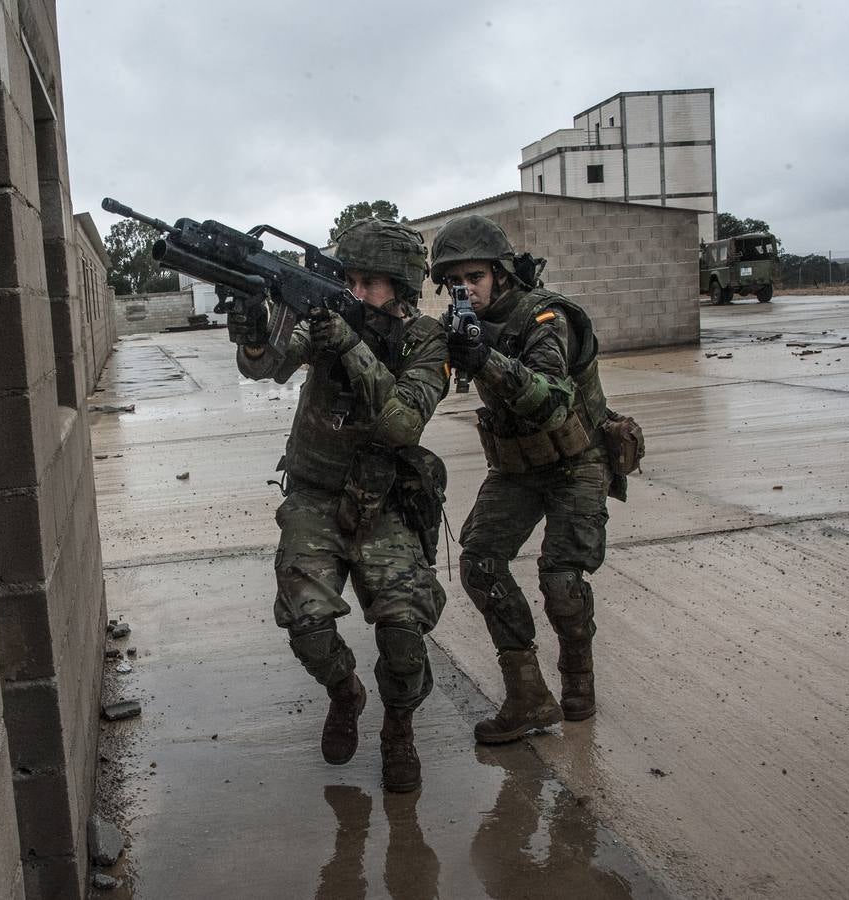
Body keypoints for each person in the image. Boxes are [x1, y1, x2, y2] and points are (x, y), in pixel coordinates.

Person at [227, 218, 449, 792]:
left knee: (403, 635)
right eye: (348, 279)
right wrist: (255, 333)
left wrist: (352, 347)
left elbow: (402, 423)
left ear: (399, 287)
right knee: (308, 625)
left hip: (388, 502)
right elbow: (267, 366)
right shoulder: (327, 325)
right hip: (315, 494)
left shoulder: (425, 340)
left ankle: (399, 723)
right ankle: (344, 692)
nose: (355, 293)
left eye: (369, 283)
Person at [431, 215, 612, 744]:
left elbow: (554, 403)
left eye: (475, 277)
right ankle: (528, 694)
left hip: (576, 461)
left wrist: (484, 360)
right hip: (517, 468)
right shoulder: (465, 325)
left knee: (561, 579)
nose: (464, 289)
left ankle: (578, 679)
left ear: (503, 274)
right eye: (454, 281)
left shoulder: (545, 319)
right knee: (481, 563)